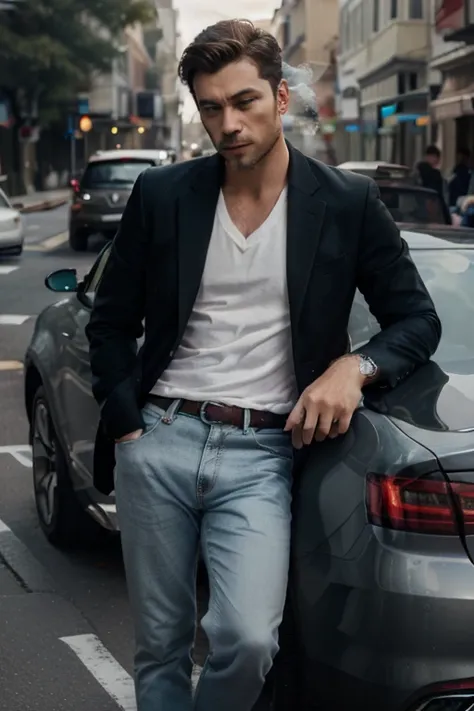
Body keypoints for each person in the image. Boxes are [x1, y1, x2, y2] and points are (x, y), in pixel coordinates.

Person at [86, 19, 441, 711]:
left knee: (248, 639)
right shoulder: (164, 196)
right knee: (159, 644)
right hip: (159, 438)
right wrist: (127, 423)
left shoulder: (344, 202)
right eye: (212, 107)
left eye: (244, 102)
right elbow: (109, 320)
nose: (230, 123)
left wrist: (354, 367)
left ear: (280, 98)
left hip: (264, 453)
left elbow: (416, 319)